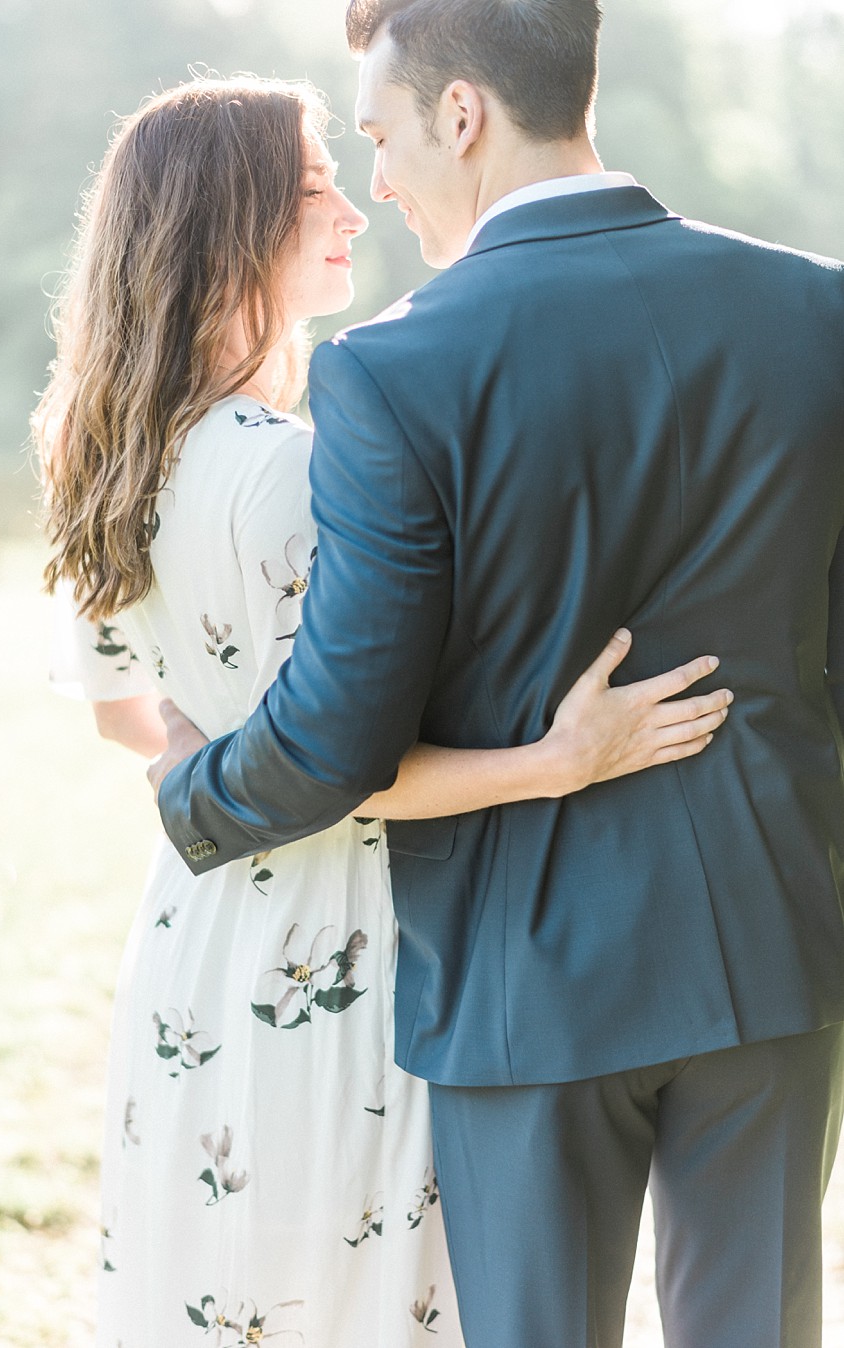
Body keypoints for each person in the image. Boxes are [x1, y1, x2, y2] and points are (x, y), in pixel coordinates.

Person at [152, 3, 844, 1346]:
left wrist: (198, 791)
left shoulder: (398, 370)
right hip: (773, 945)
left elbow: (336, 734)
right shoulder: (818, 313)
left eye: (382, 134)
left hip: (527, 985)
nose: (381, 179)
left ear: (460, 114)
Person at [35, 75, 727, 1348]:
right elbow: (349, 762)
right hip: (335, 953)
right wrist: (561, 760)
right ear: (227, 222)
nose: (353, 205)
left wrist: (209, 753)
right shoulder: (293, 469)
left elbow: (127, 718)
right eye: (313, 187)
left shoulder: (109, 449)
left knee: (228, 1285)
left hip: (196, 937)